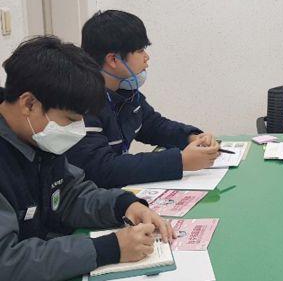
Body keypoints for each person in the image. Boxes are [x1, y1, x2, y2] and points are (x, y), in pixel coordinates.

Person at [0, 36, 175, 281]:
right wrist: (107, 249)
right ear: (29, 104)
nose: (78, 130)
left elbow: (70, 195)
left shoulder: (36, 136)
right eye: (70, 120)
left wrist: (124, 206)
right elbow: (6, 261)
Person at [66, 10, 219, 188]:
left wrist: (191, 137)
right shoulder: (83, 103)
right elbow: (103, 168)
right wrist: (180, 161)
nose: (147, 58)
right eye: (140, 51)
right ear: (113, 59)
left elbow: (153, 125)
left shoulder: (126, 92)